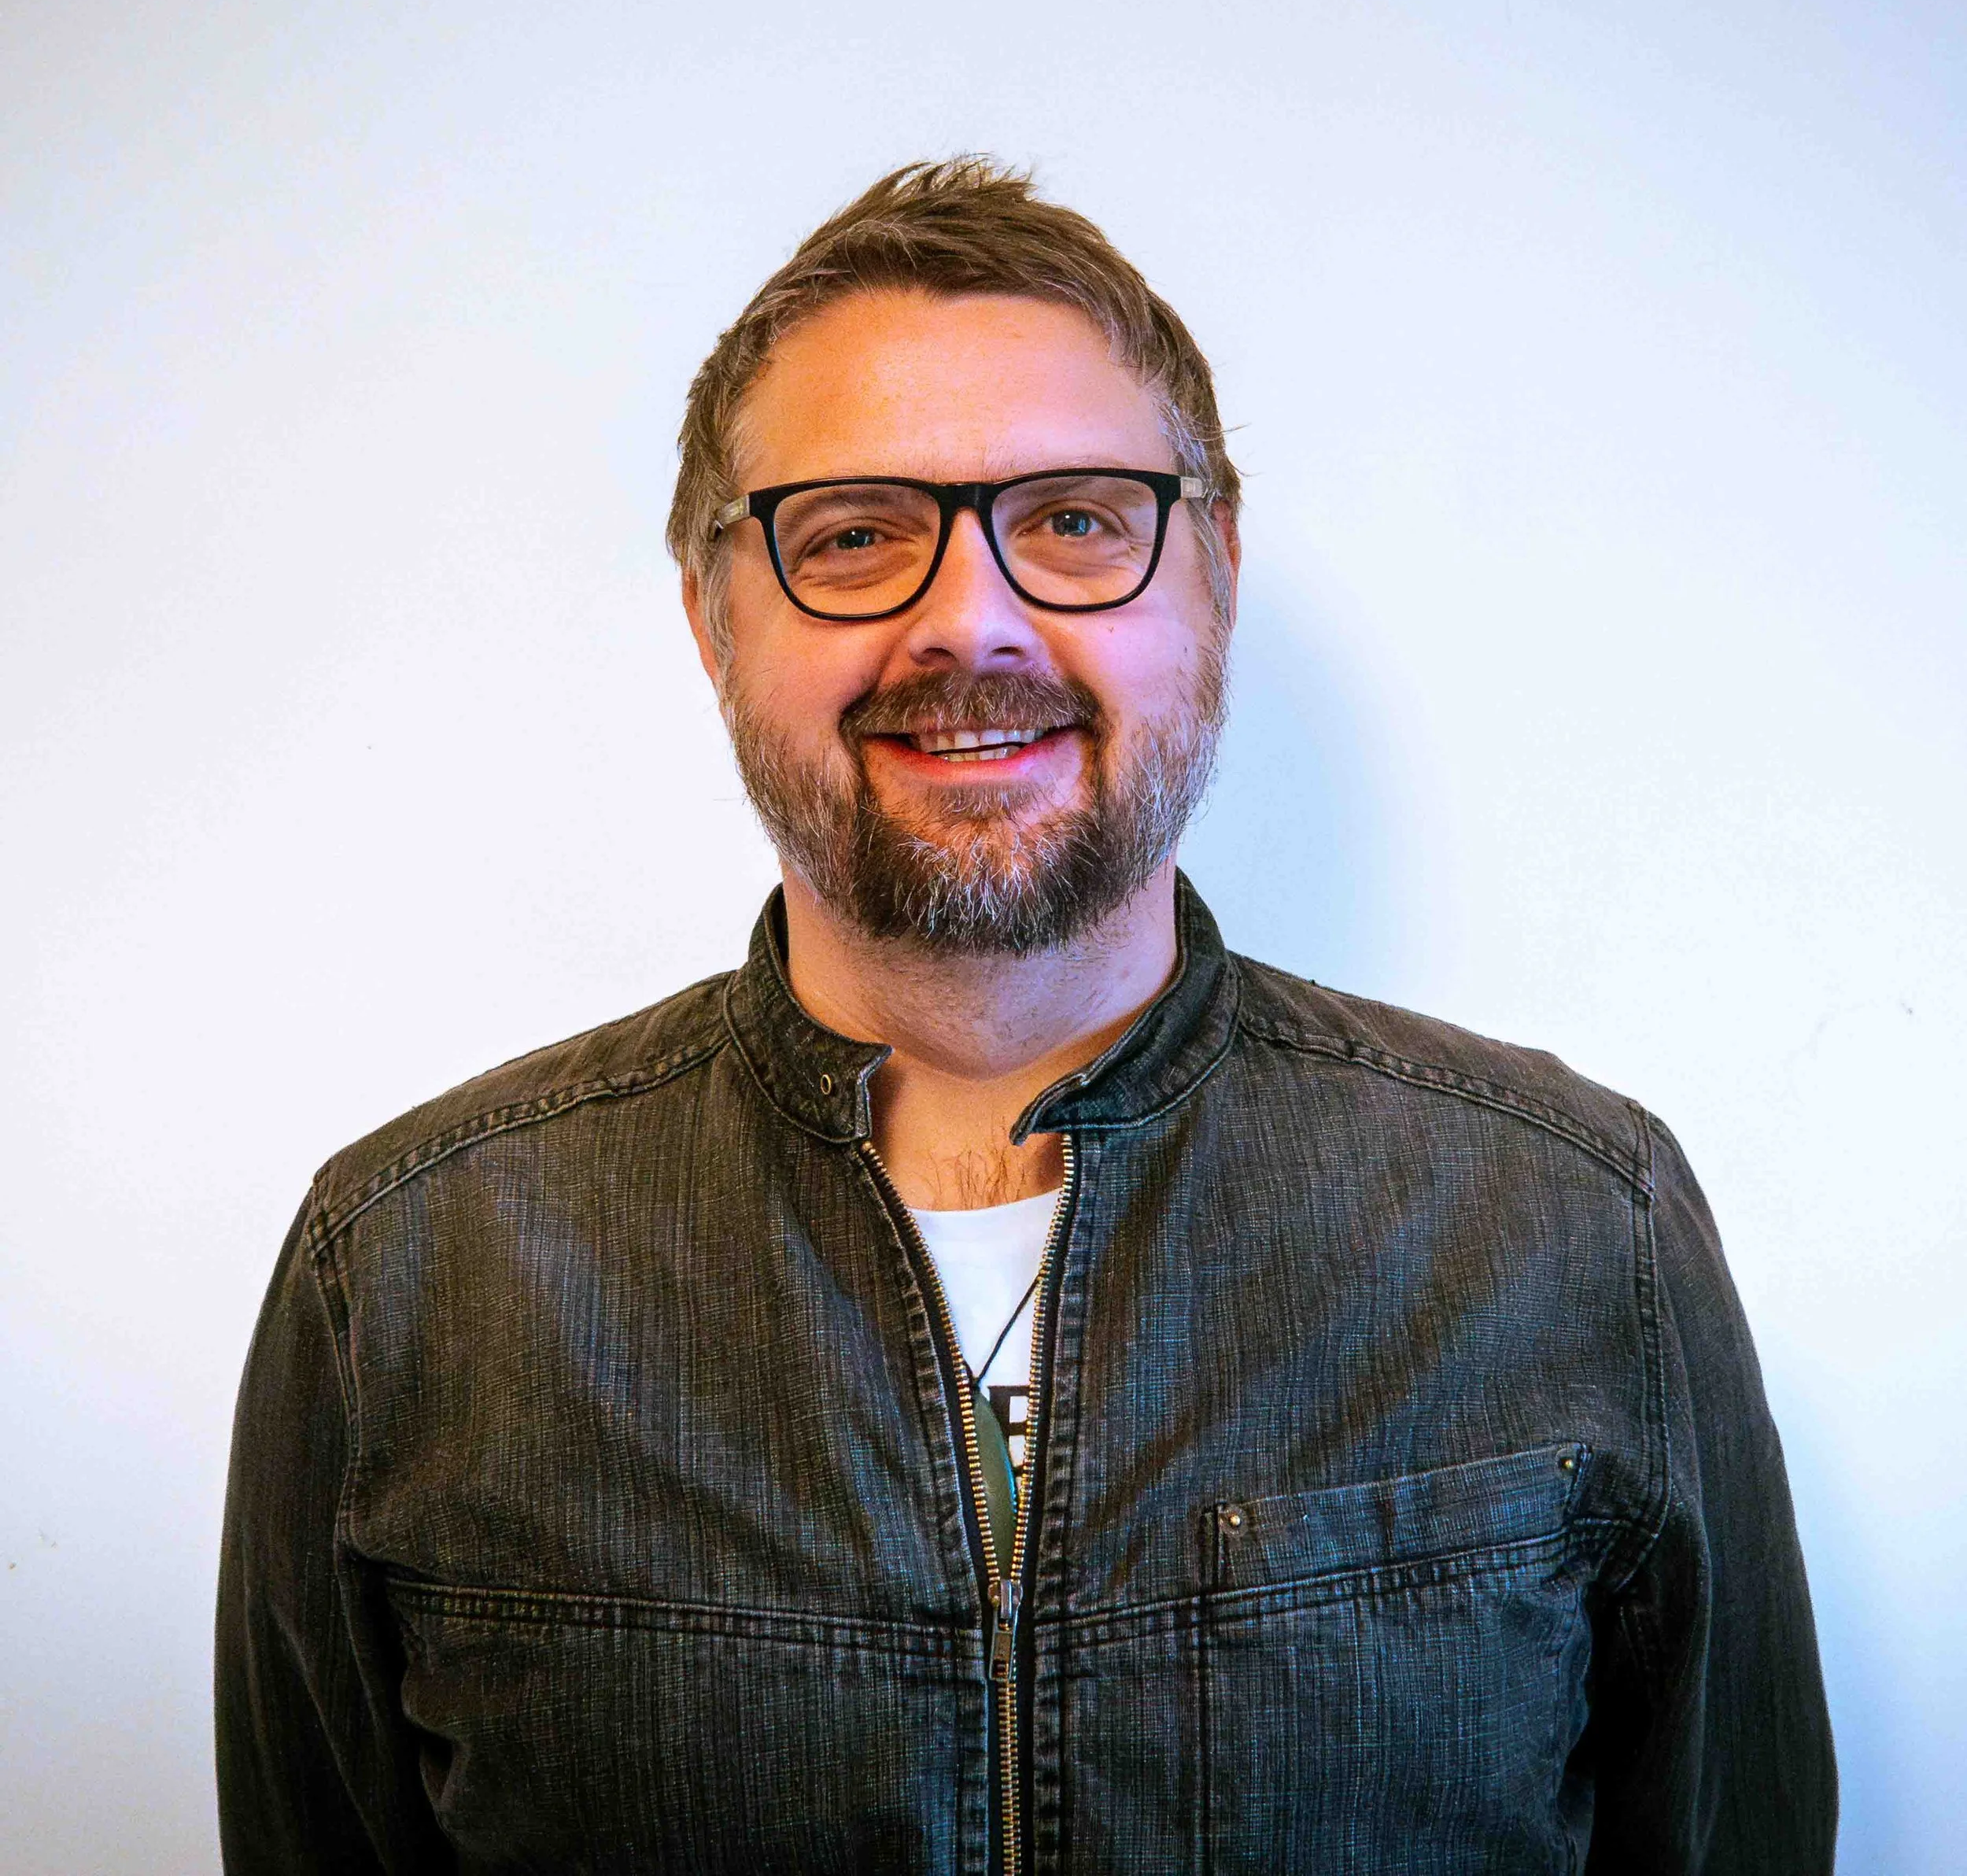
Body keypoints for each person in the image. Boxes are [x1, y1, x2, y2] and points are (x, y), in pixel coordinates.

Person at [216, 158, 1836, 1873]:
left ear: (1209, 573)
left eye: (1072, 518)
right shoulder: (406, 1273)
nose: (965, 618)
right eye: (851, 533)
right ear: (711, 617)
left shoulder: (1575, 1226)